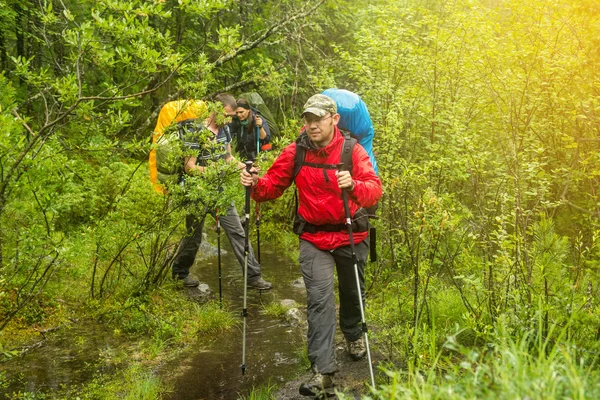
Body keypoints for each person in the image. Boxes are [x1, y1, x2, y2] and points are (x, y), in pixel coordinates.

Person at [240, 94, 382, 395]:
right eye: (308, 119)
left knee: (351, 291)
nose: (313, 125)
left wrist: (353, 185)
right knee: (319, 301)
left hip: (350, 235)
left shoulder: (351, 151)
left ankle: (354, 333)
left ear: (334, 119)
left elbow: (373, 191)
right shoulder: (296, 151)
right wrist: (254, 184)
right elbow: (271, 187)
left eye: (318, 119)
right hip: (314, 238)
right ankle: (323, 371)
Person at [171, 95, 272, 291]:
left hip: (220, 193)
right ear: (214, 109)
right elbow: (189, 167)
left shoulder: (224, 129)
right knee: (194, 236)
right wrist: (214, 171)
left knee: (238, 232)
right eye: (226, 115)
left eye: (231, 117)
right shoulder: (196, 131)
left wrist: (245, 167)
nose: (228, 120)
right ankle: (180, 273)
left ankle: (253, 276)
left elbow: (228, 158)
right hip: (197, 194)